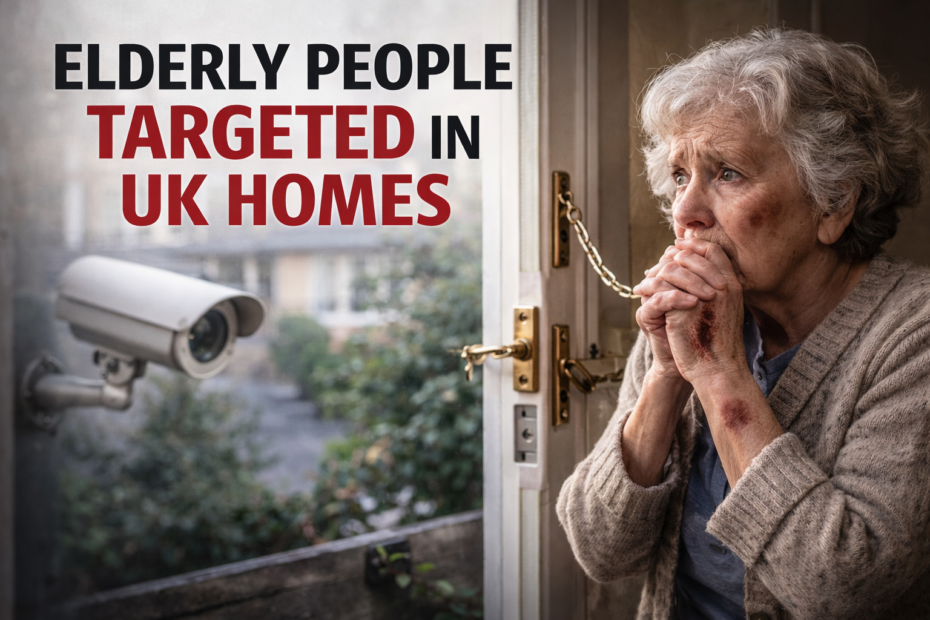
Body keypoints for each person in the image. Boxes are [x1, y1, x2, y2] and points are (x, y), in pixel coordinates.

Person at [556, 28, 930, 620]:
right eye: (681, 175)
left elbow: (848, 592)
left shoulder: (914, 336)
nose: (684, 211)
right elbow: (601, 553)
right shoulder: (694, 314)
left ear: (834, 202)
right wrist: (666, 376)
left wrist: (720, 375)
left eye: (726, 173)